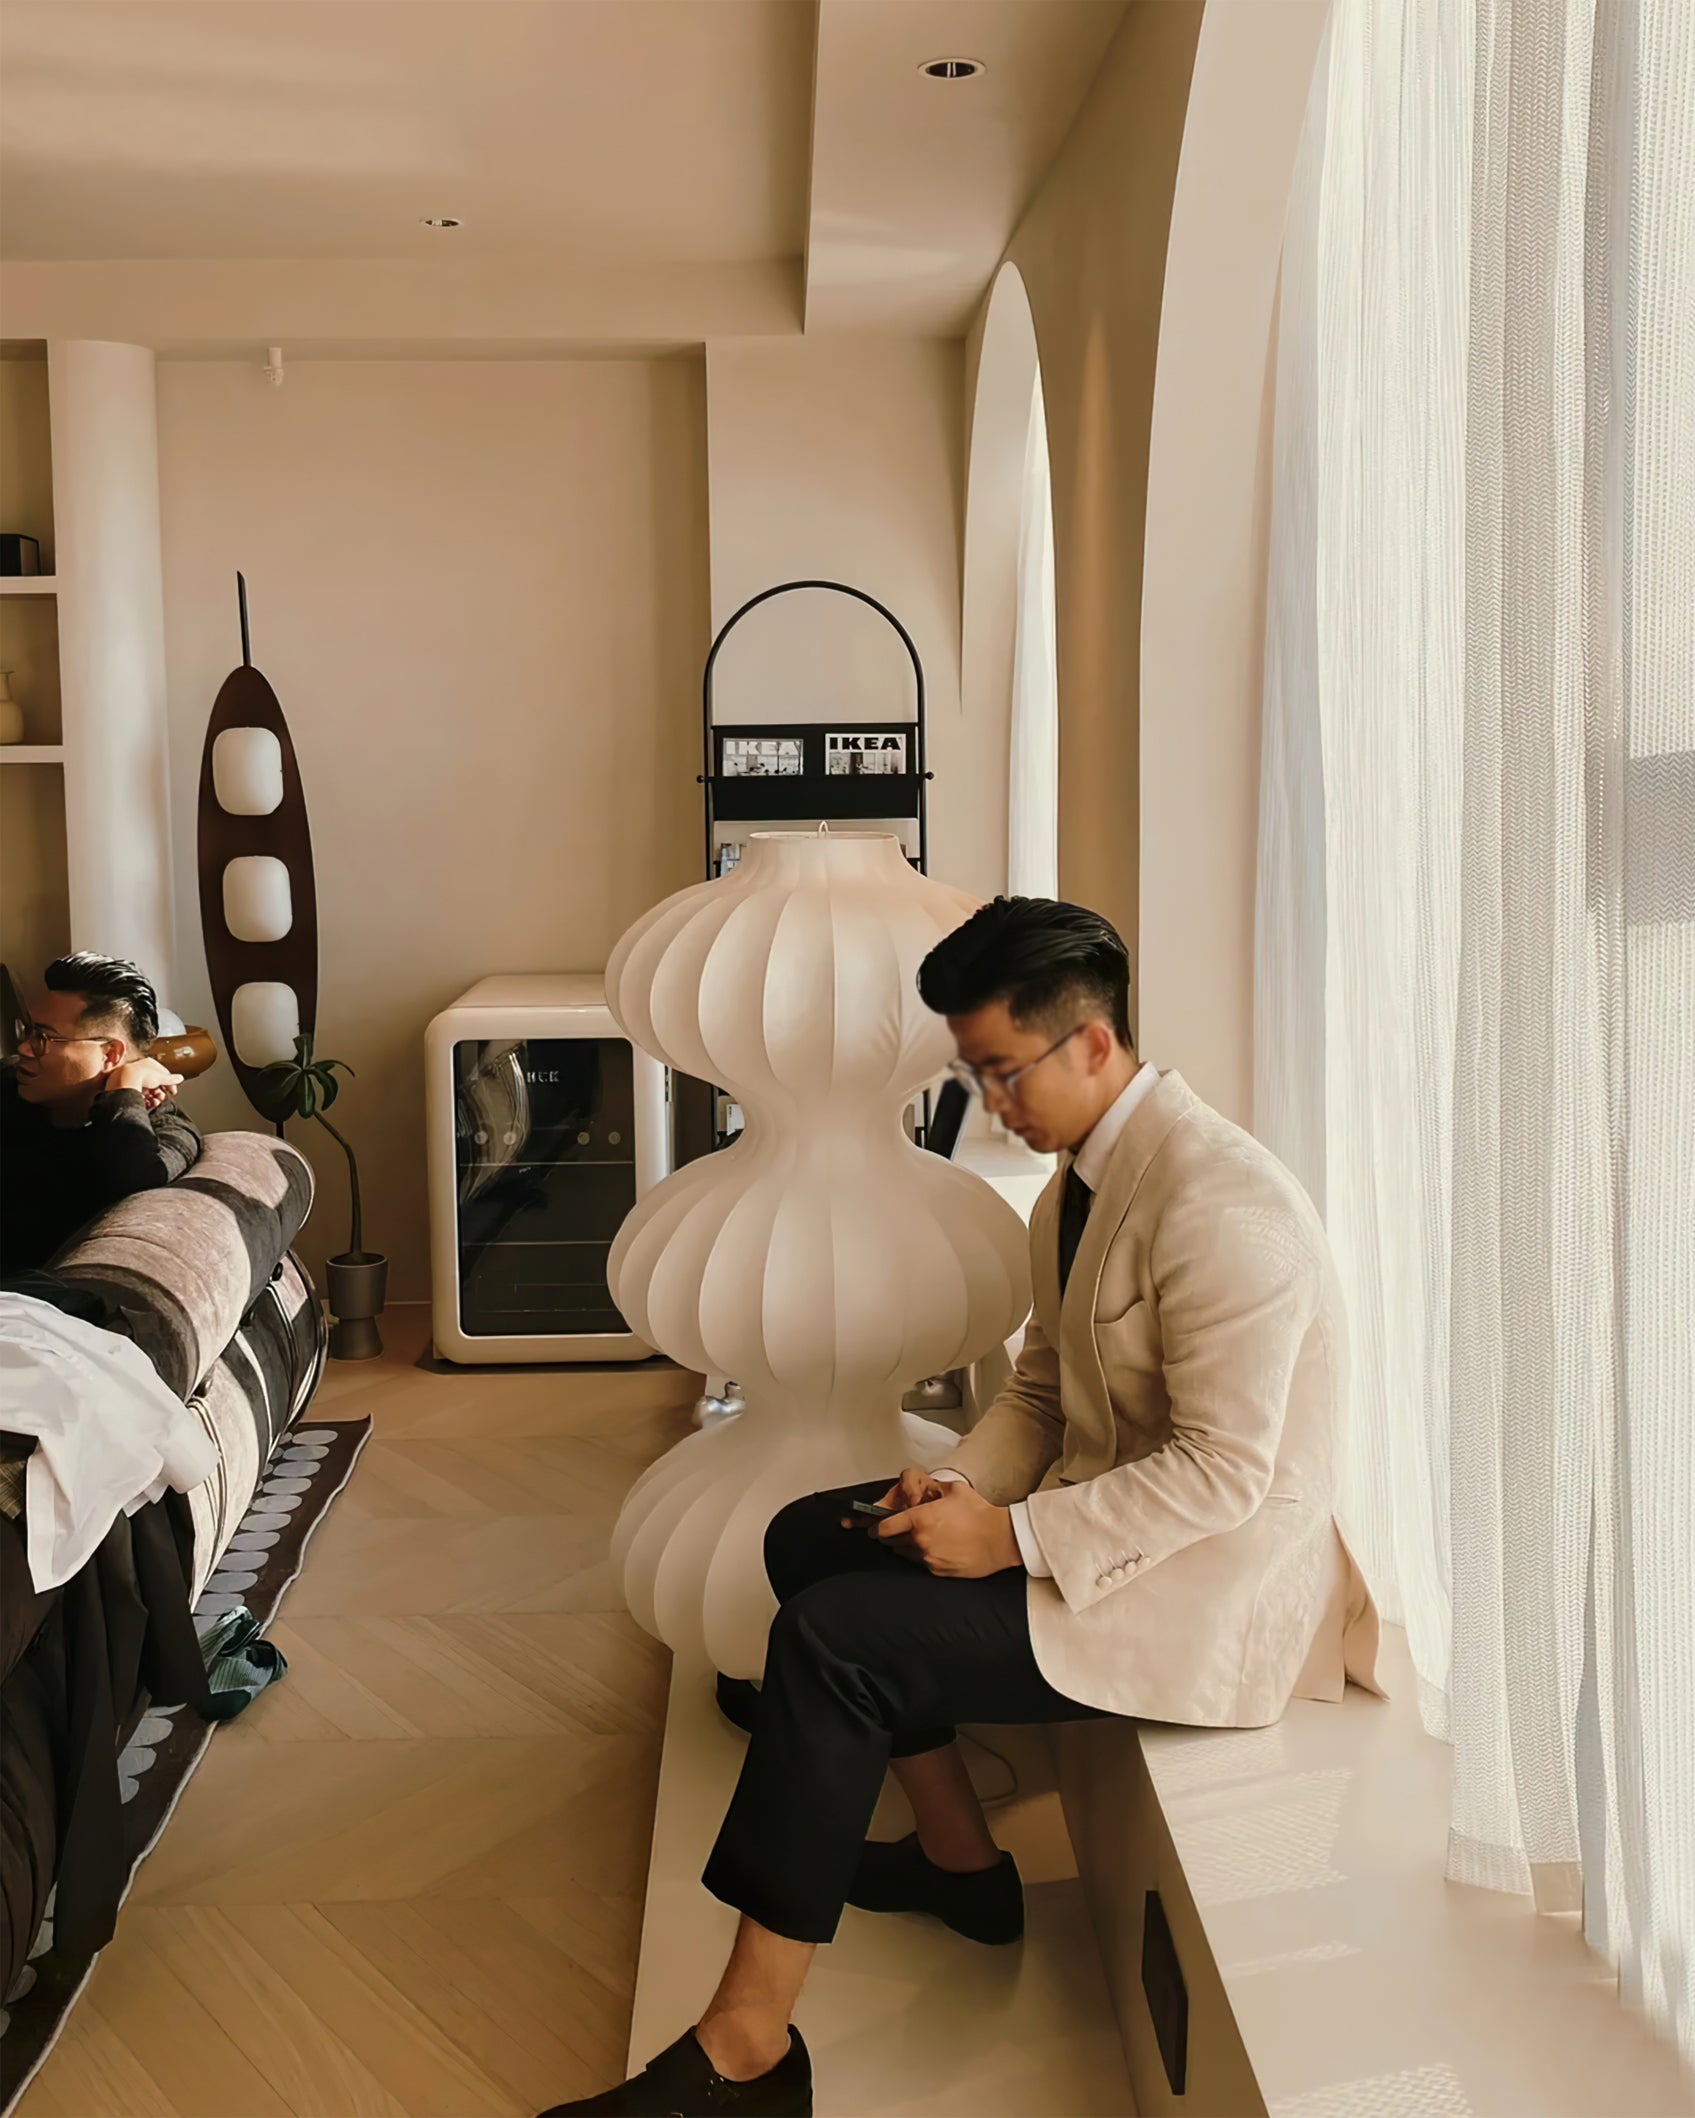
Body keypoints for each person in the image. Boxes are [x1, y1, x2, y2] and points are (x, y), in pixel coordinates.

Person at [540, 898, 1380, 2118]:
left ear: (1093, 1043)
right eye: (976, 1075)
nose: (992, 1104)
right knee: (807, 1537)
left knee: (835, 1644)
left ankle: (746, 2048)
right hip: (1107, 1530)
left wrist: (1010, 1537)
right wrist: (964, 1486)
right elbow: (1041, 1388)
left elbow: (1223, 1474)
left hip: (1202, 1595)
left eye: (1005, 1073)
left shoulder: (1221, 1207)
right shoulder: (1077, 1186)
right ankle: (960, 1863)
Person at [1, 953, 200, 1280]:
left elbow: (134, 1182)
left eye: (44, 1038)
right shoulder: (9, 1083)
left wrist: (125, 1085)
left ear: (110, 1054)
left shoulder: (163, 1132)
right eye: (29, 1031)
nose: (24, 1049)